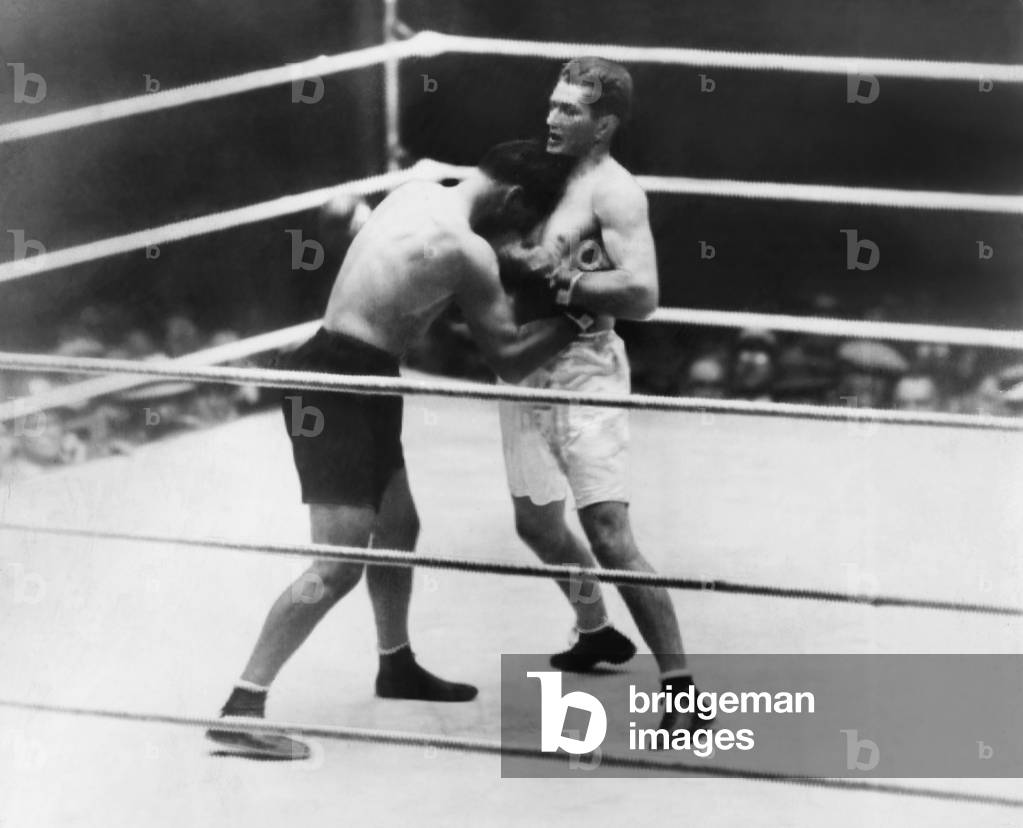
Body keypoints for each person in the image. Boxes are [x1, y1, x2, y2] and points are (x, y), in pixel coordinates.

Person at [207, 140, 583, 759]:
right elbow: (512, 360)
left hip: (364, 375)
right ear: (514, 200)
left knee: (400, 523)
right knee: (336, 566)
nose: (518, 236)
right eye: (523, 222)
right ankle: (241, 705)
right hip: (333, 385)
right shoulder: (468, 252)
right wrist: (578, 316)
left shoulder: (416, 193)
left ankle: (396, 663)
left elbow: (390, 247)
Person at [497, 58, 698, 730]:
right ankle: (594, 632)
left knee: (608, 534)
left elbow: (642, 294)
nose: (552, 118)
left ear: (603, 122)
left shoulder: (615, 192)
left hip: (584, 369)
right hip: (525, 367)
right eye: (551, 105)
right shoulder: (539, 171)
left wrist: (557, 286)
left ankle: (680, 691)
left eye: (569, 111)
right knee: (536, 525)